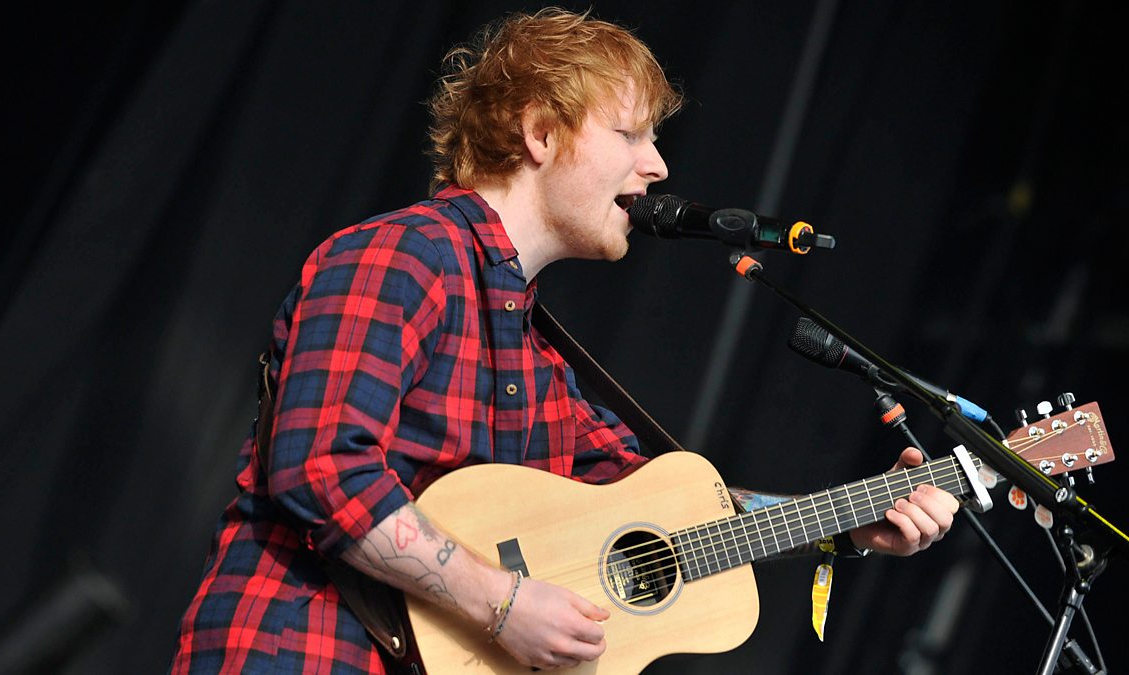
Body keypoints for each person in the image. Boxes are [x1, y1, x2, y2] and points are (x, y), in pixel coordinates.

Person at [170, 8, 958, 673]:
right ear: (541, 132)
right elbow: (319, 465)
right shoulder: (406, 256)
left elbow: (678, 512)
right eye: (630, 134)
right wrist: (502, 603)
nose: (657, 166)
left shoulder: (536, 355)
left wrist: (846, 520)